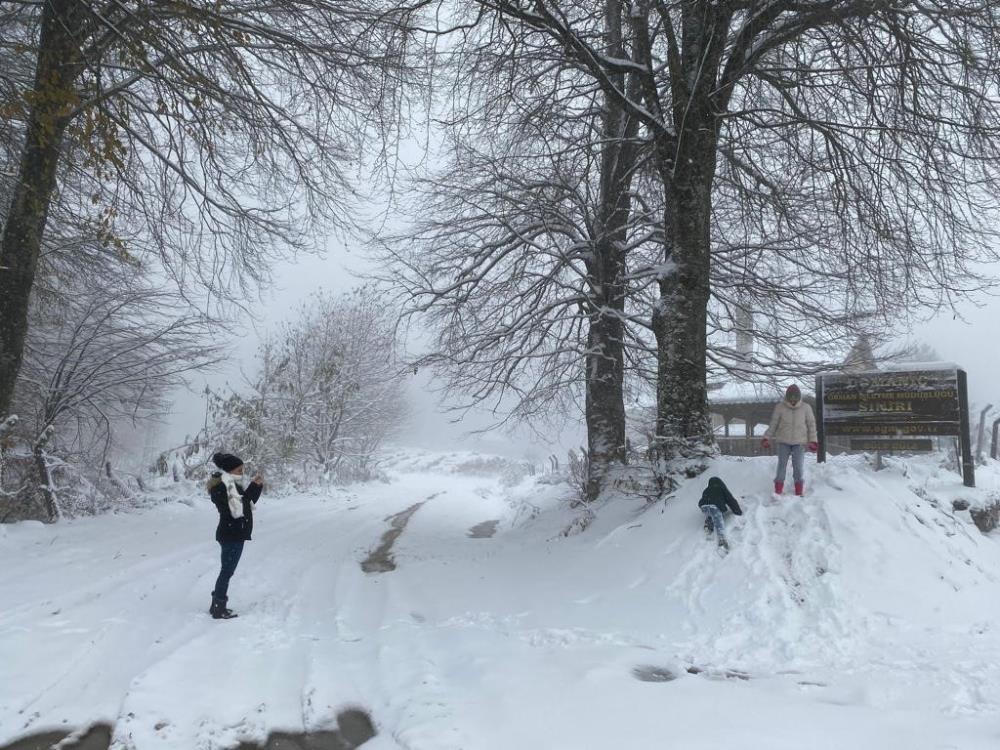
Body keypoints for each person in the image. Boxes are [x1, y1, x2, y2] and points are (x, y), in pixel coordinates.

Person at [207, 452, 264, 619]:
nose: (242, 473)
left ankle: (216, 605)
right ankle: (218, 607)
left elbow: (245, 502)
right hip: (231, 534)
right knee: (227, 571)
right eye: (239, 470)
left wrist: (256, 486)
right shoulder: (224, 487)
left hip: (233, 533)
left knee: (227, 571)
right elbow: (238, 510)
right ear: (230, 470)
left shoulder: (230, 485)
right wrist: (253, 487)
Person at [761, 384, 818, 496]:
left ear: (799, 398)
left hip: (799, 442)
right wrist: (766, 437)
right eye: (790, 399)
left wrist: (813, 440)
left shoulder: (806, 408)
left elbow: (811, 425)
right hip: (783, 441)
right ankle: (778, 490)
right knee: (781, 466)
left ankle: (798, 490)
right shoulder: (780, 407)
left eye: (795, 399)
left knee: (798, 467)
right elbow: (774, 423)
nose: (792, 402)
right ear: (787, 398)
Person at [698, 476, 743, 551]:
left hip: (703, 506)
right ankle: (722, 539)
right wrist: (738, 511)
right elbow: (730, 500)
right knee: (718, 522)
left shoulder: (706, 490)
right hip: (714, 506)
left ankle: (709, 522)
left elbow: (704, 499)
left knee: (710, 513)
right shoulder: (722, 488)